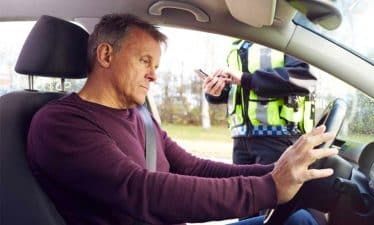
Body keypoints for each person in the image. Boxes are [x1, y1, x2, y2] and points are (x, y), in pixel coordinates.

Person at [27, 13, 337, 225]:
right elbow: (139, 190)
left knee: (298, 220)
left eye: (156, 66)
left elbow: (193, 167)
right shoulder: (60, 124)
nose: (153, 75)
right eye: (144, 61)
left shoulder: (139, 116)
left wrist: (277, 169)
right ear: (106, 56)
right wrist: (268, 188)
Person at [204, 40, 316, 166]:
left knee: (272, 186)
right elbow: (237, 90)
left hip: (278, 139)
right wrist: (216, 92)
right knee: (241, 186)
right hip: (240, 140)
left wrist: (246, 78)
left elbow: (304, 78)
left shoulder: (286, 41)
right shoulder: (237, 45)